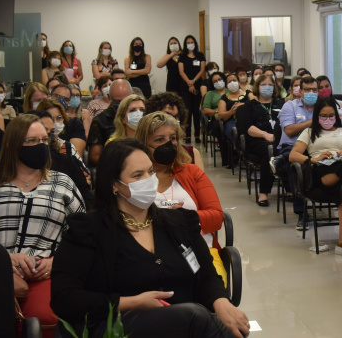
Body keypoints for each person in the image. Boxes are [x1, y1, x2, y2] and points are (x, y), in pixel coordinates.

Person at [50, 139, 249, 338]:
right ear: (114, 184)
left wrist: (220, 301)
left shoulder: (178, 222)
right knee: (196, 317)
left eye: (150, 171)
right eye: (138, 175)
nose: (149, 179)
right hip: (118, 327)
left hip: (184, 329)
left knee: (217, 321)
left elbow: (206, 275)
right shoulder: (88, 230)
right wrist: (131, 302)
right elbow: (64, 298)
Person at [0, 114, 85, 332]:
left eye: (45, 140)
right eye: (32, 141)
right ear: (13, 145)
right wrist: (2, 259)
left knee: (45, 316)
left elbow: (83, 238)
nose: (41, 145)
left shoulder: (62, 183)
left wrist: (57, 261)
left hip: (46, 273)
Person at [136, 113, 225, 256]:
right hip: (153, 254)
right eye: (160, 139)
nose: (169, 144)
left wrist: (179, 218)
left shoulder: (192, 172)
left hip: (198, 252)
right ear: (143, 144)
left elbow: (216, 218)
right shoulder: (134, 179)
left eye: (172, 138)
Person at [288, 97, 342, 256]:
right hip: (318, 172)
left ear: (337, 115)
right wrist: (314, 159)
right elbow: (293, 155)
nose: (328, 119)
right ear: (317, 115)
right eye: (323, 116)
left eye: (331, 115)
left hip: (340, 170)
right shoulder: (309, 132)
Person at [236, 74, 285, 209]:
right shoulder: (249, 106)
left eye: (270, 85)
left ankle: (290, 188)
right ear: (257, 87)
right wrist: (264, 134)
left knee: (288, 150)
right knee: (269, 152)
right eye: (264, 85)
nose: (267, 88)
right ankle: (264, 192)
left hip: (280, 139)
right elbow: (247, 127)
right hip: (257, 141)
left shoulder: (281, 104)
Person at [276, 76, 319, 223]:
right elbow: (289, 130)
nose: (311, 92)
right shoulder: (290, 106)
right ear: (300, 91)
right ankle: (302, 212)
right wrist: (311, 122)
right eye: (307, 90)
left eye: (314, 89)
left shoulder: (322, 107)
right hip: (292, 146)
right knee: (296, 165)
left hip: (316, 147)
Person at [30, 110, 93, 206]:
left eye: (52, 131)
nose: (49, 136)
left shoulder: (66, 161)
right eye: (44, 130)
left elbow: (86, 198)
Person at [146, 92, 204, 170]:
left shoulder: (192, 154)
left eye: (177, 116)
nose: (173, 120)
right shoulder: (143, 156)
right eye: (168, 115)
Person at [87, 79, 132, 166]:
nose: (122, 105)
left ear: (133, 95)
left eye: (125, 101)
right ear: (109, 97)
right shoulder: (99, 121)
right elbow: (94, 157)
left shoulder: (142, 116)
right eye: (118, 102)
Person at [40, 91, 88, 163]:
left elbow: (81, 170)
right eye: (51, 119)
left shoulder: (68, 147)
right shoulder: (37, 145)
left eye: (59, 118)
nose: (55, 123)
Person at [178, 35, 206, 142]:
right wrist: (189, 83)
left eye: (192, 42)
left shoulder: (200, 55)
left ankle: (198, 135)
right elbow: (181, 71)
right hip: (185, 86)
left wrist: (193, 81)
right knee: (188, 110)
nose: (190, 44)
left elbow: (202, 69)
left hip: (198, 85)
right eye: (188, 42)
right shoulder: (182, 56)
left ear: (195, 43)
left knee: (196, 110)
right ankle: (188, 135)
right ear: (185, 44)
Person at [216, 73, 246, 159]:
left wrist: (243, 105)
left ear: (238, 82)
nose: (232, 83)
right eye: (229, 82)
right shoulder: (224, 98)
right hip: (232, 121)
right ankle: (240, 150)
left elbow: (255, 105)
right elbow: (220, 115)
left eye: (234, 80)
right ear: (226, 85)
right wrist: (231, 112)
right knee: (234, 131)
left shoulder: (248, 93)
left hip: (248, 120)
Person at [202, 72, 228, 166]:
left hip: (230, 116)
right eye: (215, 81)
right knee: (220, 129)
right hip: (217, 119)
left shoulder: (230, 91)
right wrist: (217, 112)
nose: (218, 82)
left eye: (220, 80)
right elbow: (205, 110)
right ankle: (226, 158)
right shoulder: (210, 94)